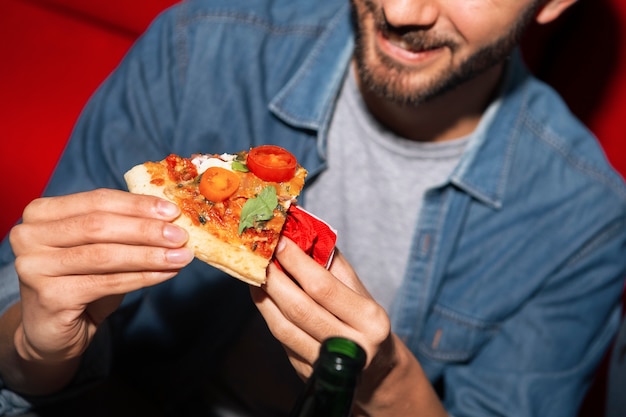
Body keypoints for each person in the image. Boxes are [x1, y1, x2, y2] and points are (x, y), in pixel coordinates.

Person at [1, 0, 625, 416]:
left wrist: (385, 382)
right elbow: (14, 336)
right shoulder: (197, 47)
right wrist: (36, 347)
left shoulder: (585, 221)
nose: (402, 10)